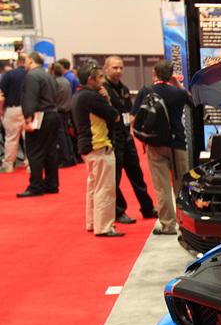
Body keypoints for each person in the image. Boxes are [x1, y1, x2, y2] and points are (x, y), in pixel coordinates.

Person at [131, 59, 192, 235]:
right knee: (181, 186)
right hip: (178, 144)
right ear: (171, 74)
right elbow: (192, 102)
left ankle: (167, 225)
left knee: (162, 187)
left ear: (154, 73)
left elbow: (134, 118)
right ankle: (185, 225)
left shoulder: (146, 91)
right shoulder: (178, 93)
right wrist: (177, 83)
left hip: (155, 144)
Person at [105, 55, 156, 223]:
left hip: (127, 137)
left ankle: (147, 207)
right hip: (112, 139)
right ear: (106, 69)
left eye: (120, 68)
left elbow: (128, 113)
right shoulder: (103, 90)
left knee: (137, 174)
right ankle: (119, 212)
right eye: (114, 68)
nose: (118, 71)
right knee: (115, 178)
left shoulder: (124, 89)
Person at [72, 65, 122, 237]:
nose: (102, 81)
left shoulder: (78, 95)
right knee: (104, 188)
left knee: (94, 187)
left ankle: (93, 222)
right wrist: (107, 99)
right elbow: (114, 115)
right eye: (100, 77)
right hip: (99, 145)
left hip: (88, 145)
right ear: (90, 79)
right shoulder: (92, 97)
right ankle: (104, 227)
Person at [18, 52, 61, 197]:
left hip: (39, 115)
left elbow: (30, 98)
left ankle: (35, 186)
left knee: (34, 151)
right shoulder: (48, 76)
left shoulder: (32, 76)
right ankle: (52, 184)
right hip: (53, 114)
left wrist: (28, 118)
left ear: (30, 61)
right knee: (50, 151)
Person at [0, 51, 26, 172]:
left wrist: (0, 110)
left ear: (17, 62)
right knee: (29, 139)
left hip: (12, 109)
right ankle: (30, 163)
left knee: (11, 139)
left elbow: (2, 95)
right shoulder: (30, 74)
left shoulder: (9, 74)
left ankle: (9, 165)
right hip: (27, 109)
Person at [49, 61, 77, 167]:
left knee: (61, 136)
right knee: (65, 135)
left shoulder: (55, 82)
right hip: (66, 110)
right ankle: (71, 157)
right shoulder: (65, 80)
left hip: (59, 110)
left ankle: (65, 159)